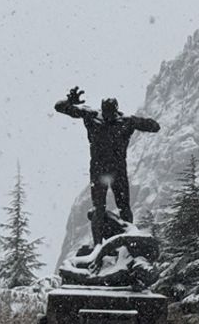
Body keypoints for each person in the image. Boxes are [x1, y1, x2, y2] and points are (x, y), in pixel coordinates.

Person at [55, 86, 160, 245]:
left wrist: (139, 121)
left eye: (110, 113)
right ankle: (99, 246)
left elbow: (155, 126)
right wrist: (70, 102)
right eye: (106, 113)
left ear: (115, 111)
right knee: (100, 208)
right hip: (104, 170)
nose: (108, 116)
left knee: (120, 207)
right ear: (103, 110)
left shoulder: (123, 121)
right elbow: (59, 107)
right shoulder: (96, 117)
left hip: (110, 170)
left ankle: (127, 241)